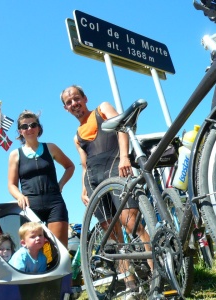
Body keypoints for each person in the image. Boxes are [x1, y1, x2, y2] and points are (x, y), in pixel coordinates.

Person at [60, 85, 152, 294]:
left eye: (76, 98)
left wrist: (125, 157)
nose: (74, 104)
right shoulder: (76, 136)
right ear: (66, 109)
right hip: (94, 181)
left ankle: (158, 275)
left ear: (85, 98)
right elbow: (84, 165)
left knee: (133, 226)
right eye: (69, 102)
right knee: (113, 235)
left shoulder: (102, 109)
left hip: (116, 169)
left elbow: (122, 128)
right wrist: (83, 189)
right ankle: (130, 285)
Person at [8, 110, 75, 248]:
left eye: (33, 125)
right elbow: (11, 185)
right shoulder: (15, 155)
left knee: (59, 251)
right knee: (33, 252)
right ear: (20, 131)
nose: (29, 129)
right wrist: (19, 196)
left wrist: (61, 184)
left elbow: (70, 166)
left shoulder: (51, 148)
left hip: (54, 204)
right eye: (24, 127)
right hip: (30, 207)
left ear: (39, 128)